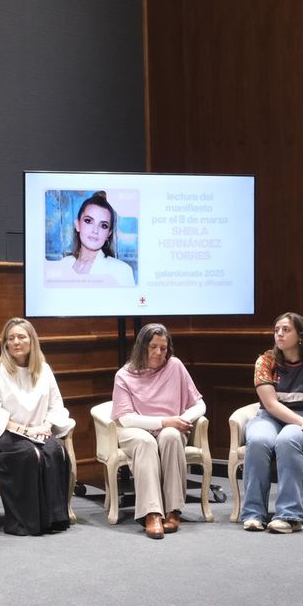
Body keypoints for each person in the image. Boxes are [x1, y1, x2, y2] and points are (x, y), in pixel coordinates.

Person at [241, 312, 303, 533]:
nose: (279, 334)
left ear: (301, 336)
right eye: (277, 330)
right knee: (258, 440)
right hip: (271, 418)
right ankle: (253, 513)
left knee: (288, 440)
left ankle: (289, 516)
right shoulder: (265, 361)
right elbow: (271, 404)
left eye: (286, 330)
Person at [0, 317, 75, 536]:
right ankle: (28, 522)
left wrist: (47, 426)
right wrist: (26, 431)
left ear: (32, 341)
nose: (16, 342)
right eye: (11, 338)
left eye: (21, 337)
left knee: (55, 450)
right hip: (8, 433)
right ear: (5, 344)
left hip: (39, 430)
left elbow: (56, 405)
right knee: (30, 454)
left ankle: (54, 518)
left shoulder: (44, 370)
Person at [111, 323, 205, 539]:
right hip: (135, 429)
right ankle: (151, 513)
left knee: (172, 437)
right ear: (142, 346)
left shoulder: (175, 366)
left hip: (170, 427)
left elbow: (200, 405)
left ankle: (173, 510)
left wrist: (182, 420)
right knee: (146, 442)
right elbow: (126, 419)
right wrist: (164, 422)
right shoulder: (124, 375)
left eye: (163, 348)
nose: (158, 353)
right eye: (153, 347)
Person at [43, 190, 135, 287]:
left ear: (109, 233)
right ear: (77, 224)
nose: (95, 230)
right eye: (88, 221)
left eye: (103, 225)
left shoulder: (122, 271)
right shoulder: (64, 264)